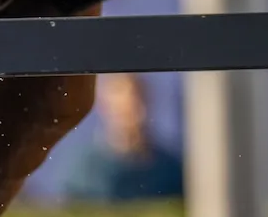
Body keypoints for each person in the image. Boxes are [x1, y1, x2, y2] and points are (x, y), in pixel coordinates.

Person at [60, 74, 182, 202]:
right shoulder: (86, 171)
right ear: (106, 107)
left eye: (140, 101)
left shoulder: (169, 169)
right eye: (126, 109)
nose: (138, 113)